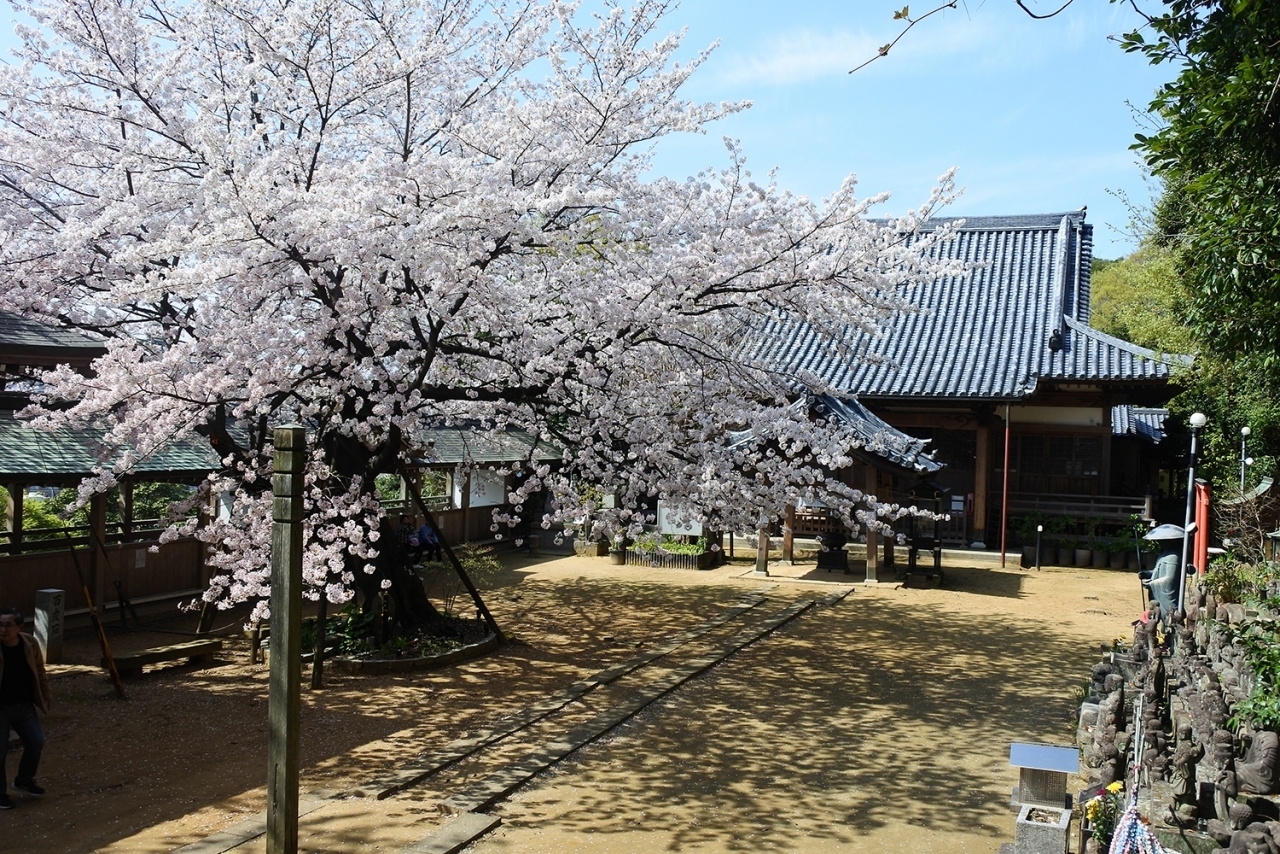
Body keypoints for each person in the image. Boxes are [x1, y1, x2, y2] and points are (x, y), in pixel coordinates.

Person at [0, 607, 51, 809]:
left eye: (8, 625)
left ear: (19, 627)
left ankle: (24, 780)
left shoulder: (29, 643)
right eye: (0, 625)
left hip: (24, 705)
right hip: (1, 707)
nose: (3, 630)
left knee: (36, 741)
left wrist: (46, 693)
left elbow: (39, 669)